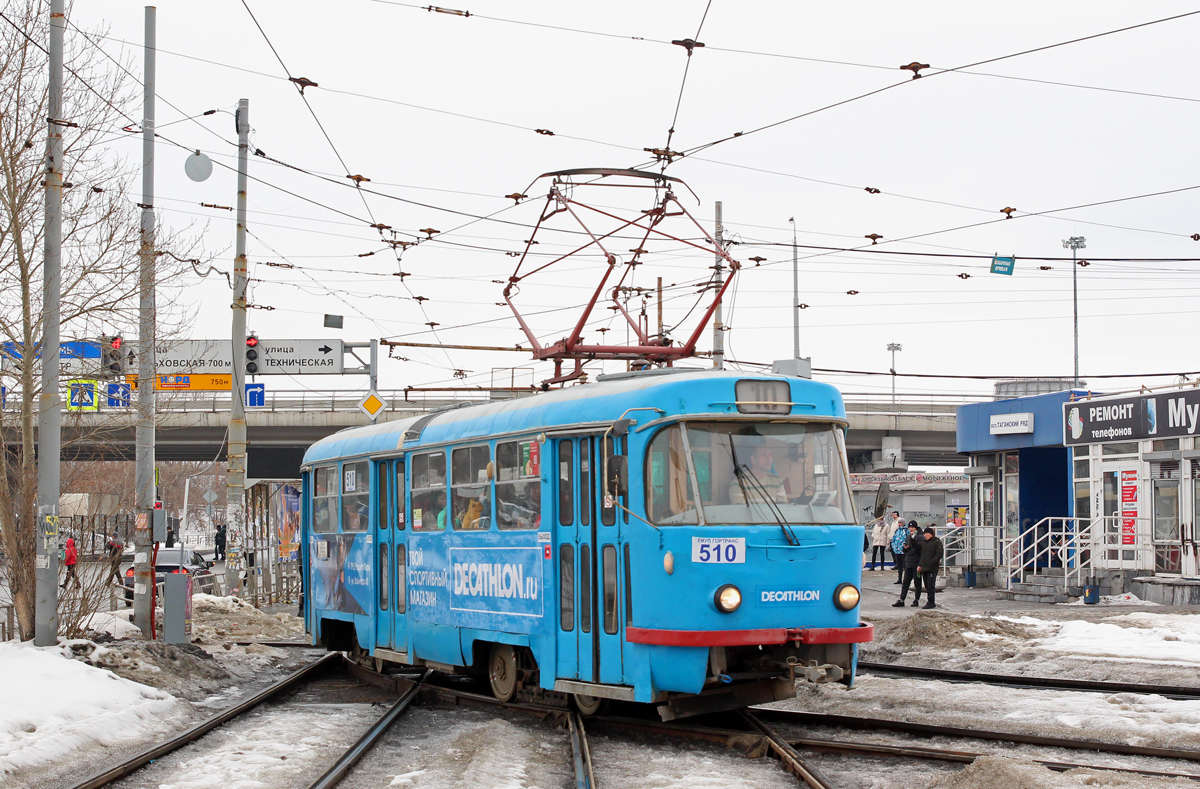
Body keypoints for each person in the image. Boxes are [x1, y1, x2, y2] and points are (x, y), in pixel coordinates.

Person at [892, 522, 924, 607]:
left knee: (917, 583)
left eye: (913, 527)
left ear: (916, 528)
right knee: (905, 582)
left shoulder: (920, 537)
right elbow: (906, 550)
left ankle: (916, 599)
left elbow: (922, 552)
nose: (911, 529)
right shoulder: (908, 537)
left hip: (916, 563)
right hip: (909, 562)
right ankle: (902, 599)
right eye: (910, 527)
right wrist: (905, 548)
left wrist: (920, 564)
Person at [918, 526, 944, 609]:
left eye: (927, 533)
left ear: (931, 534)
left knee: (930, 585)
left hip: (932, 568)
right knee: (926, 584)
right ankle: (930, 601)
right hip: (924, 567)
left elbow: (939, 553)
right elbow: (921, 554)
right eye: (924, 533)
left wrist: (933, 562)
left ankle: (931, 602)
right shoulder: (924, 543)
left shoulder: (937, 542)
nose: (925, 535)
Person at [888, 513, 907, 585]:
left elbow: (908, 539)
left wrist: (905, 547)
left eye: (900, 523)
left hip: (903, 551)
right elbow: (893, 539)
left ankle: (905, 579)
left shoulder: (906, 530)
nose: (899, 524)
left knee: (905, 566)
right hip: (897, 551)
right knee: (899, 566)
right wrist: (894, 547)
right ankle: (899, 579)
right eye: (899, 523)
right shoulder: (897, 531)